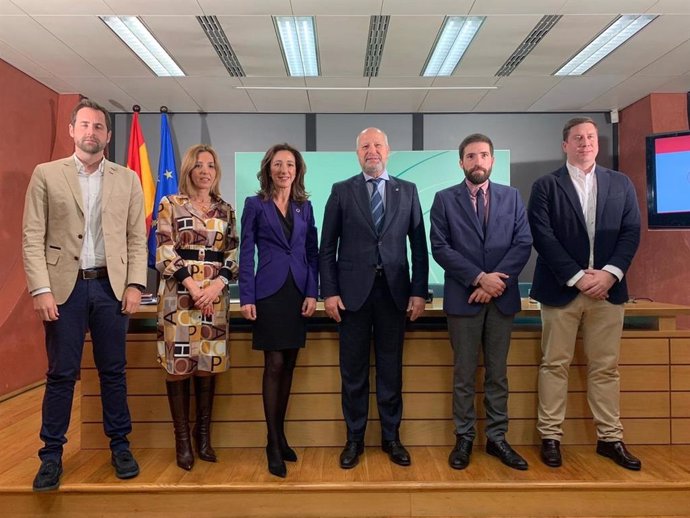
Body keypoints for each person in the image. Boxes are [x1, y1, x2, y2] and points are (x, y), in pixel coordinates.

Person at [22, 99, 147, 491]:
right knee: (61, 374)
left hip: (111, 288)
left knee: (113, 371)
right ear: (72, 130)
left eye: (99, 127)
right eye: (85, 125)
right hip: (64, 289)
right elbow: (32, 237)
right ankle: (51, 456)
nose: (91, 132)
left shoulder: (127, 179)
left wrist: (134, 284)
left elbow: (135, 238)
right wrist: (41, 289)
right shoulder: (46, 174)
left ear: (108, 136)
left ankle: (120, 445)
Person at [528, 117, 642, 471]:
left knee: (606, 368)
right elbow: (542, 236)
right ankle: (550, 437)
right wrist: (578, 278)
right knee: (554, 365)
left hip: (608, 293)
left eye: (591, 137)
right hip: (562, 291)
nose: (585, 143)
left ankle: (610, 439)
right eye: (577, 138)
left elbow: (631, 232)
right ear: (565, 145)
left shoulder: (621, 184)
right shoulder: (546, 186)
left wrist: (609, 274)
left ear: (598, 143)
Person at [319, 127, 429, 469]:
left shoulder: (407, 191)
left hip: (394, 295)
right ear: (357, 154)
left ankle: (391, 438)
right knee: (353, 373)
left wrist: (419, 291)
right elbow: (326, 249)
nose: (372, 151)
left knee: (390, 371)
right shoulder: (341, 191)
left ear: (388, 150)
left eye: (377, 145)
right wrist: (330, 292)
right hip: (351, 297)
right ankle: (354, 440)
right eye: (365, 146)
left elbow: (419, 248)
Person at [430, 133, 532, 471]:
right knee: (463, 373)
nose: (478, 162)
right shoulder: (444, 200)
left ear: (492, 161)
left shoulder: (512, 197)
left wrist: (493, 283)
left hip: (500, 299)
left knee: (497, 374)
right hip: (464, 298)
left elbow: (523, 242)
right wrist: (478, 278)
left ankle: (497, 438)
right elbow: (441, 248)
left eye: (484, 155)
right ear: (461, 162)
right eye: (471, 156)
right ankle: (464, 437)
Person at [155, 144, 239, 471]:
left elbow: (233, 253)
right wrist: (192, 285)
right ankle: (182, 440)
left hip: (214, 299)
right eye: (199, 165)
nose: (205, 171)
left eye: (211, 166)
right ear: (189, 169)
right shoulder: (170, 204)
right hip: (179, 296)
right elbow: (163, 249)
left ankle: (203, 435)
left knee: (207, 364)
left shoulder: (226, 209)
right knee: (179, 367)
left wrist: (216, 285)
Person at [238, 143, 318, 478]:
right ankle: (272, 442)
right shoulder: (255, 205)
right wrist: (246, 297)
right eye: (278, 164)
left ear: (297, 170)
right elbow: (245, 252)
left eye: (290, 164)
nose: (284, 170)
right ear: (268, 169)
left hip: (297, 293)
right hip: (268, 292)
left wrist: (313, 292)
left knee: (289, 368)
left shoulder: (305, 206)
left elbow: (312, 253)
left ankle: (281, 436)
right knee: (273, 365)